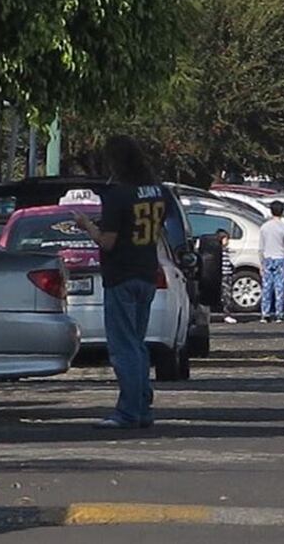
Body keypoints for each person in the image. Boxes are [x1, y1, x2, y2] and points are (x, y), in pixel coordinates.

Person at [73, 135, 165, 429]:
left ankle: (128, 410)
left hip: (121, 274)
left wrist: (87, 225)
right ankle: (142, 406)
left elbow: (108, 242)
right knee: (137, 344)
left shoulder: (117, 196)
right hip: (147, 271)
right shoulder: (156, 192)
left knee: (123, 346)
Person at [258, 201, 284, 324]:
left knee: (266, 287)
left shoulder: (264, 227)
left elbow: (261, 247)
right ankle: (279, 314)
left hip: (267, 258)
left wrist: (261, 263)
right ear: (282, 212)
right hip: (280, 258)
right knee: (280, 288)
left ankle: (265, 313)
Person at [216, 229, 238, 324]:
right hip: (224, 275)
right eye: (226, 239)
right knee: (226, 296)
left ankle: (227, 314)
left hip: (226, 275)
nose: (228, 242)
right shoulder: (221, 251)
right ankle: (227, 314)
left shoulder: (225, 251)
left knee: (226, 296)